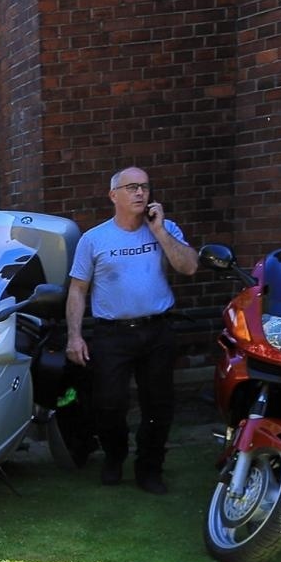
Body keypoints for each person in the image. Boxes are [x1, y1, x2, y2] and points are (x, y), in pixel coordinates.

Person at [65, 166, 199, 494]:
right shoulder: (94, 239)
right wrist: (75, 335)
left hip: (157, 331)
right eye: (131, 188)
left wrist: (161, 233)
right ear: (114, 195)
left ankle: (150, 467)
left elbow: (190, 267)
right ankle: (115, 455)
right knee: (109, 403)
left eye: (144, 187)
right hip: (113, 333)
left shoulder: (165, 229)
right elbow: (78, 290)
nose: (140, 193)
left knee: (158, 404)